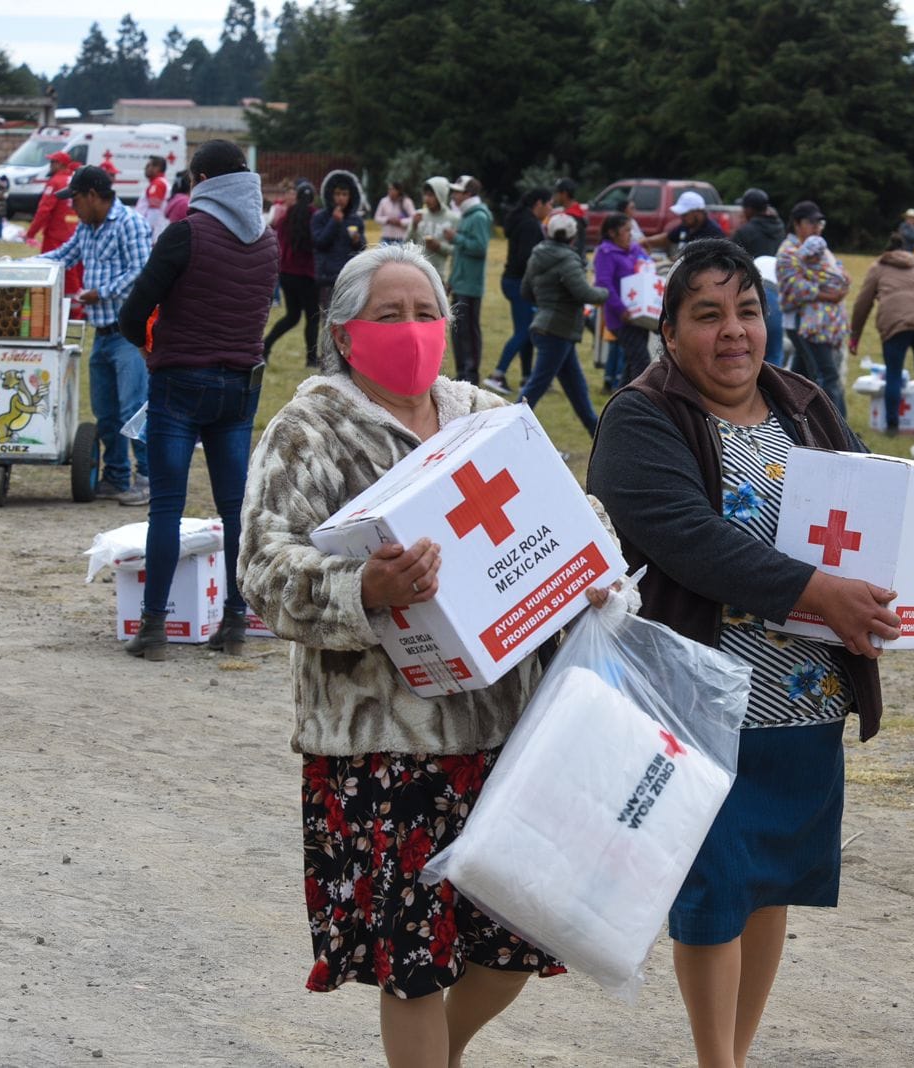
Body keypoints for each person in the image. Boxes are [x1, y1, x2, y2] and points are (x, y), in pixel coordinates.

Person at [587, 238, 914, 1068]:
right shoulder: (642, 416)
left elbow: (885, 513)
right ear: (668, 332)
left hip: (806, 699)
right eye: (707, 315)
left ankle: (734, 1054)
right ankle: (717, 1062)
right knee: (713, 891)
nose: (733, 332)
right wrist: (819, 593)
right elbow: (688, 542)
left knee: (770, 885)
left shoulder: (804, 402)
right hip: (698, 702)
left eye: (747, 310)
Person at [238, 243, 567, 1068]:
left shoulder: (485, 419)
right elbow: (262, 570)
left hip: (502, 729)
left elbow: (565, 510)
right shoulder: (305, 430)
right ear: (345, 333)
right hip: (384, 743)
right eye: (390, 315)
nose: (413, 330)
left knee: (511, 942)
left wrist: (585, 564)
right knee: (413, 965)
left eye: (427, 313)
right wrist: (364, 588)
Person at [116, 140, 278, 660]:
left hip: (180, 381)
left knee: (167, 505)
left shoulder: (185, 233)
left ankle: (155, 628)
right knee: (236, 509)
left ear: (202, 177)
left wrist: (149, 348)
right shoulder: (269, 242)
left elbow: (132, 312)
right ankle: (234, 624)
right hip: (241, 386)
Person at [40, 165, 154, 505]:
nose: (71, 207)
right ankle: (116, 476)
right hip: (101, 333)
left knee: (133, 408)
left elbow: (142, 271)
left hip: (128, 335)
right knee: (105, 411)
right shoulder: (87, 229)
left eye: (73, 199)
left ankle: (147, 478)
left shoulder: (129, 223)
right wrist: (17, 266)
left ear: (92, 195)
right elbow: (63, 256)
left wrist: (100, 292)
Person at [519, 211, 606, 441]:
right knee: (534, 389)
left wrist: (548, 300)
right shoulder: (568, 259)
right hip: (557, 330)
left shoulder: (537, 255)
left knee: (578, 391)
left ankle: (598, 434)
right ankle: (504, 430)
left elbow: (525, 291)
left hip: (550, 329)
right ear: (572, 237)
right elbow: (584, 292)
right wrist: (607, 292)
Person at [849, 233, 914, 435]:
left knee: (893, 374)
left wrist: (855, 336)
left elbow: (862, 303)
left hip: (895, 323)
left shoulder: (879, 267)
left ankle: (892, 426)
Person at [776, 200, 850, 415]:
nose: (817, 227)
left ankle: (791, 417)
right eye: (812, 222)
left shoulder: (816, 245)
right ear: (797, 224)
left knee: (801, 376)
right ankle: (838, 428)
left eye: (820, 223)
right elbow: (794, 288)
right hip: (803, 322)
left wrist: (842, 279)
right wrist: (830, 294)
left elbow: (834, 268)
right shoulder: (788, 252)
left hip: (822, 322)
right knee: (826, 374)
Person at [485, 187, 549, 393]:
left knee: (527, 330)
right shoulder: (530, 224)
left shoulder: (522, 220)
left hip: (512, 280)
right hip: (520, 283)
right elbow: (525, 259)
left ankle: (526, 377)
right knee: (524, 331)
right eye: (549, 204)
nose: (551, 208)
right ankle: (498, 374)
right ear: (538, 204)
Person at [593, 211, 656, 388]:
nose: (631, 234)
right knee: (641, 360)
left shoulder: (635, 249)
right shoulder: (606, 253)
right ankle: (638, 400)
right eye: (627, 230)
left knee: (632, 360)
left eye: (631, 230)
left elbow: (647, 268)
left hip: (640, 316)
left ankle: (621, 401)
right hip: (622, 318)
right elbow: (604, 284)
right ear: (613, 233)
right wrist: (621, 309)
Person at [263, 178, 319, 364]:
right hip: (307, 275)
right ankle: (311, 359)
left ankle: (266, 345)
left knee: (292, 316)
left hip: (287, 273)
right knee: (312, 317)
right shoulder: (315, 216)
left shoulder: (287, 216)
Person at [446, 177, 492, 385]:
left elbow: (480, 248)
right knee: (458, 330)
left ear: (469, 194)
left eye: (457, 191)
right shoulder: (466, 216)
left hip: (471, 285)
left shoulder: (479, 217)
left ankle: (471, 374)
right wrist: (452, 280)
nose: (454, 195)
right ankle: (462, 372)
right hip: (461, 282)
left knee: (469, 331)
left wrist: (456, 238)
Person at [733, 189, 786, 367]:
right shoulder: (780, 228)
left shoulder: (745, 232)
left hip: (752, 290)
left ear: (749, 209)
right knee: (775, 352)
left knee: (749, 351)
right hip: (779, 291)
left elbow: (731, 262)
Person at [26, 151, 84, 301]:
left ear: (61, 164)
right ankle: (77, 308)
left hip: (55, 235)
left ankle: (54, 304)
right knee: (73, 274)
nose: (50, 165)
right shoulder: (73, 179)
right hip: (73, 233)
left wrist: (31, 233)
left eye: (53, 162)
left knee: (49, 271)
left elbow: (44, 210)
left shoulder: (55, 182)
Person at [311, 169, 367, 321]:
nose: (340, 198)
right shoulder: (320, 217)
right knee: (328, 321)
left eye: (344, 194)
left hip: (348, 277)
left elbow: (362, 250)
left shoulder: (356, 220)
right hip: (327, 277)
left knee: (349, 320)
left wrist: (358, 241)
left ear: (351, 196)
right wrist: (334, 222)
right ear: (330, 195)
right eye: (337, 194)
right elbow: (320, 243)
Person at [644, 190, 725, 255]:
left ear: (697, 213)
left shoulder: (713, 234)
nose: (682, 218)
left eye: (685, 214)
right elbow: (667, 238)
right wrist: (645, 242)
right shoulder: (686, 227)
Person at [550, 177, 587, 257]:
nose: (554, 196)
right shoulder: (578, 212)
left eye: (556, 193)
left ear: (564, 194)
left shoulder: (571, 217)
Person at [136, 155, 170, 239]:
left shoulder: (158, 184)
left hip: (152, 233)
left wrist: (145, 232)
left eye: (148, 165)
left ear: (157, 168)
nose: (145, 168)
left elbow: (154, 212)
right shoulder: (159, 182)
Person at [374, 180, 415, 245]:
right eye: (389, 189)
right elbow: (377, 218)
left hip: (401, 238)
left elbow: (413, 219)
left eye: (392, 189)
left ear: (398, 191)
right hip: (385, 238)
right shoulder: (383, 201)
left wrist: (400, 222)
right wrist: (387, 220)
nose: (390, 191)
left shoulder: (407, 202)